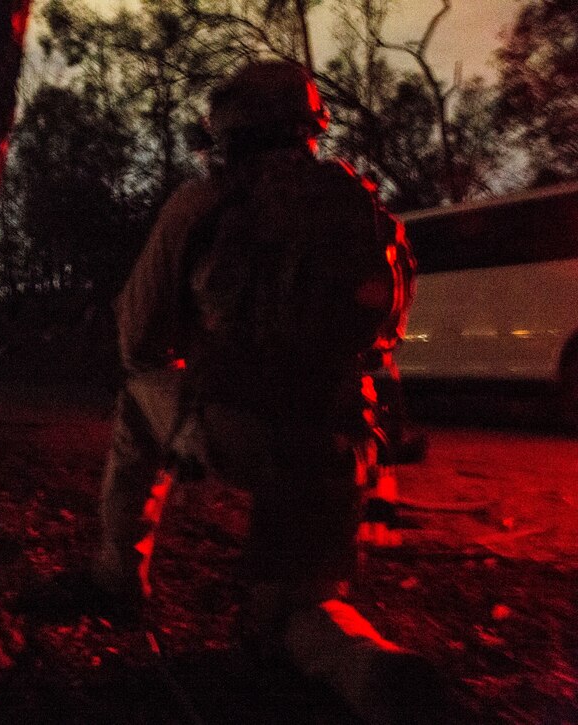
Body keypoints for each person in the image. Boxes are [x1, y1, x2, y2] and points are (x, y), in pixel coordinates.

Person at [94, 60, 446, 722]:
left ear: (230, 129)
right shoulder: (364, 212)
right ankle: (365, 665)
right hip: (337, 449)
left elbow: (137, 338)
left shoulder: (200, 205)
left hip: (239, 434)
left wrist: (197, 384)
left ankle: (117, 574)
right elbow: (380, 343)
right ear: (311, 127)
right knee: (294, 611)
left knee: (136, 394)